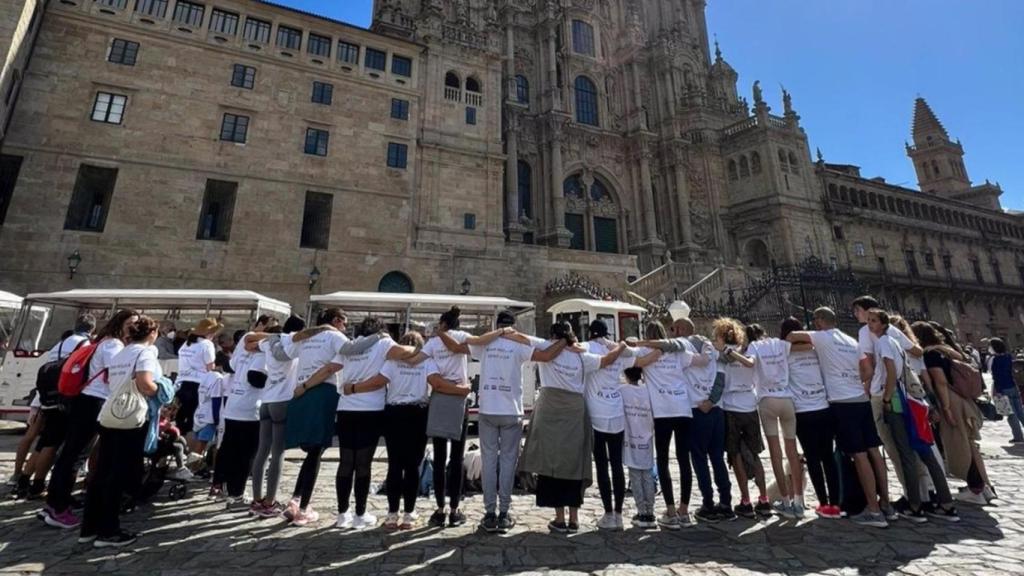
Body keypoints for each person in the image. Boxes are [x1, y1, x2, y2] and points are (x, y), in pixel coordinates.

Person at [786, 307, 891, 528]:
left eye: (815, 320)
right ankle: (886, 504)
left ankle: (873, 511)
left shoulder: (822, 337)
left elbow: (792, 336)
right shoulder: (852, 341)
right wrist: (856, 382)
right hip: (860, 400)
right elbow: (868, 370)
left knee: (859, 455)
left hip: (841, 402)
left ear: (819, 321)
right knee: (873, 451)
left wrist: (802, 346)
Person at [518, 321, 626, 534]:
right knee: (573, 462)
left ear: (553, 335)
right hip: (575, 410)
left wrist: (504, 331)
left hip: (550, 408)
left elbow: (521, 338)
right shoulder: (581, 355)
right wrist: (621, 346)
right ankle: (574, 517)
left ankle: (559, 517)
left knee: (551, 462)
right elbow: (607, 360)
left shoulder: (546, 346)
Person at [469, 310, 566, 534]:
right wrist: (565, 341)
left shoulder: (485, 344)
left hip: (487, 409)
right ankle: (504, 512)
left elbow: (468, 345)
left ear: (496, 324)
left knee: (489, 461)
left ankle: (489, 512)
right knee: (508, 461)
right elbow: (546, 356)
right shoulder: (518, 345)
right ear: (513, 325)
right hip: (511, 409)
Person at [42, 309, 138, 530]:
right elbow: (117, 373)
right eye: (131, 323)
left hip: (87, 399)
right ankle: (58, 507)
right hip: (94, 401)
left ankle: (55, 502)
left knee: (72, 453)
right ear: (120, 324)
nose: (134, 328)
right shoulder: (113, 345)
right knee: (75, 455)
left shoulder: (104, 341)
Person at [424, 307, 512, 529]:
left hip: (439, 398)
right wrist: (500, 331)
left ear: (442, 323)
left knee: (439, 456)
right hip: (459, 399)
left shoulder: (433, 343)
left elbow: (419, 359)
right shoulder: (461, 336)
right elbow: (481, 340)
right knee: (457, 457)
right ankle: (455, 510)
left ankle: (439, 509)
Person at [79, 315, 162, 548]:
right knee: (119, 473)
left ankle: (89, 527)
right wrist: (161, 389)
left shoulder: (121, 353)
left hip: (110, 414)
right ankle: (109, 530)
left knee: (102, 471)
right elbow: (145, 383)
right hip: (131, 417)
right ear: (152, 333)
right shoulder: (145, 353)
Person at [870, 310, 959, 523]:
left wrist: (886, 399)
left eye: (873, 321)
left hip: (897, 402)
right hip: (913, 401)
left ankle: (915, 506)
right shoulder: (897, 343)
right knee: (926, 452)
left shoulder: (883, 342)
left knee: (906, 455)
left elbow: (891, 373)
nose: (869, 324)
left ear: (884, 324)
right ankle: (947, 504)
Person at [347, 332, 443, 530]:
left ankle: (392, 514)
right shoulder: (427, 361)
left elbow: (378, 381)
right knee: (413, 466)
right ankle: (409, 513)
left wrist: (355, 387)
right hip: (417, 413)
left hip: (394, 413)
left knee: (395, 465)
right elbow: (436, 383)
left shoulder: (392, 362)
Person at [333, 317, 421, 530]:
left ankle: (342, 513)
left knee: (346, 462)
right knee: (363, 463)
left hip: (345, 408)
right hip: (370, 409)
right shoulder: (383, 343)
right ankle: (360, 514)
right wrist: (419, 347)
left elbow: (333, 366)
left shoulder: (351, 346)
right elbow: (408, 352)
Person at [246, 317, 331, 517]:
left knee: (262, 451)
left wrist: (267, 335)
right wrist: (323, 328)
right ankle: (269, 502)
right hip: (283, 401)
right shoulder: (294, 342)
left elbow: (249, 345)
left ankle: (257, 499)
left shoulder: (269, 342)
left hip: (266, 400)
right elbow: (305, 336)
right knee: (277, 453)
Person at [912, 321, 995, 506]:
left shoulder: (930, 353)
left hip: (950, 399)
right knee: (969, 444)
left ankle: (975, 489)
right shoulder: (948, 350)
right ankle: (985, 487)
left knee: (958, 444)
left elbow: (940, 382)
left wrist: (946, 408)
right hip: (964, 398)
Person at [630, 321, 704, 529]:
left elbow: (631, 358)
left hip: (662, 410)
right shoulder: (678, 352)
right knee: (683, 460)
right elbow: (702, 361)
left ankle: (670, 511)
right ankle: (684, 510)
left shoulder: (644, 351)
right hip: (683, 408)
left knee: (662, 460)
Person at [14, 315, 96, 499]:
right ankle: (37, 485)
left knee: (43, 442)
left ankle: (24, 480)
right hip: (64, 396)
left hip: (46, 397)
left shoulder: (60, 343)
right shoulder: (84, 343)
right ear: (92, 329)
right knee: (52, 444)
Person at [283, 308, 349, 526]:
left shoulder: (307, 337)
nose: (345, 328)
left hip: (302, 392)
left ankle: (296, 499)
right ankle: (303, 509)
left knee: (313, 451)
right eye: (345, 323)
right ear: (336, 321)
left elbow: (288, 351)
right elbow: (343, 358)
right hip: (321, 391)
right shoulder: (335, 336)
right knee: (316, 450)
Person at [852, 296, 923, 495]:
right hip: (904, 390)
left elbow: (870, 363)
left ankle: (911, 493)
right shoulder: (892, 330)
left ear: (867, 311)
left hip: (882, 392)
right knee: (911, 439)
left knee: (892, 444)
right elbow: (917, 351)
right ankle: (926, 489)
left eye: (857, 310)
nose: (856, 315)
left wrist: (866, 386)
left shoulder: (865, 331)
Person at [736, 324, 805, 518]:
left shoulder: (754, 347)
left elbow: (749, 363)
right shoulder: (779, 343)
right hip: (786, 398)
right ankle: (799, 501)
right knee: (792, 452)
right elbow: (804, 347)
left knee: (776, 453)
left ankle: (785, 500)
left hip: (767, 399)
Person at [779, 317, 840, 519]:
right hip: (823, 407)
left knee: (812, 458)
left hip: (802, 410)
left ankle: (823, 502)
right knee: (828, 457)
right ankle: (835, 504)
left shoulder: (785, 354)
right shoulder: (815, 351)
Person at [582, 319, 635, 530]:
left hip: (596, 414)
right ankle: (619, 514)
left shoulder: (588, 347)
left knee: (602, 466)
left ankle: (608, 513)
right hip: (616, 413)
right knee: (617, 465)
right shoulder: (617, 350)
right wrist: (618, 344)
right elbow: (634, 355)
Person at [714, 320, 771, 519]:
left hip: (731, 407)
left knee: (735, 454)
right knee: (754, 453)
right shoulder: (747, 350)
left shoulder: (722, 355)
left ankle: (746, 500)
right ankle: (763, 498)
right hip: (750, 405)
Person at [213, 329, 267, 509]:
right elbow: (255, 379)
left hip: (232, 405)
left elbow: (229, 367)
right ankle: (237, 494)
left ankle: (222, 488)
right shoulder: (263, 354)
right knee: (246, 454)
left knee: (229, 449)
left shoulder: (243, 348)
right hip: (250, 409)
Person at [621, 366, 657, 529]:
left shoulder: (622, 391)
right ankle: (650, 511)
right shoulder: (648, 390)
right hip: (646, 438)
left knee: (635, 476)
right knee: (647, 475)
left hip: (630, 438)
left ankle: (642, 511)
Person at [176, 318, 223, 443]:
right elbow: (210, 366)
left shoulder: (186, 344)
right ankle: (189, 445)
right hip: (199, 384)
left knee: (181, 416)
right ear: (210, 333)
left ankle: (178, 441)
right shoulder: (207, 344)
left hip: (182, 383)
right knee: (195, 418)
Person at [988, 337, 1024, 443]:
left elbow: (996, 377)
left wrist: (998, 391)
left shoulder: (995, 360)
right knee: (1020, 412)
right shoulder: (1008, 356)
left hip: (1003, 388)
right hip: (1013, 386)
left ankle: (1018, 437)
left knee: (1011, 414)